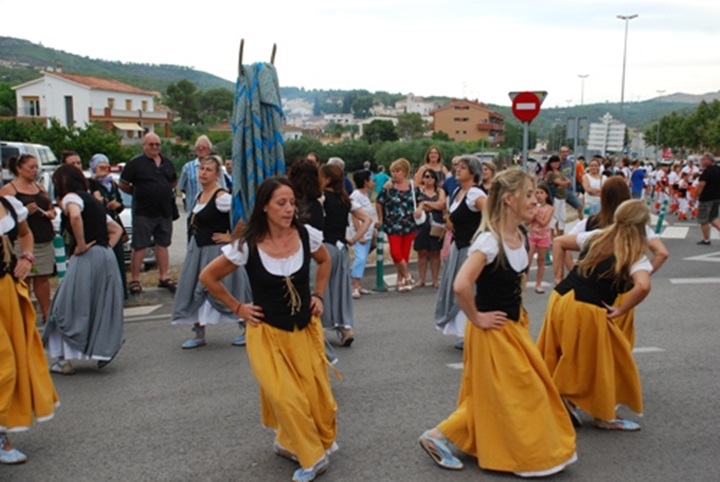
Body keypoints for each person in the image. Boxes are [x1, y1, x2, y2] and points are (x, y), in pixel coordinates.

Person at [418, 169, 577, 477]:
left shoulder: (519, 235)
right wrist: (477, 317)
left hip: (512, 328)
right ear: (509, 199)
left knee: (503, 393)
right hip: (493, 331)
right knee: (520, 390)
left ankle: (439, 436)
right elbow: (462, 285)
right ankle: (439, 435)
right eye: (529, 195)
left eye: (535, 194)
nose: (535, 200)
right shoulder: (489, 242)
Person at [198, 178, 338, 482]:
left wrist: (318, 294)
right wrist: (238, 308)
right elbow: (208, 277)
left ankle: (292, 443)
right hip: (266, 333)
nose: (289, 209)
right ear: (265, 207)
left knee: (316, 398)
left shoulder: (305, 235)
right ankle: (313, 458)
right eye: (281, 203)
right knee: (286, 398)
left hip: (303, 330)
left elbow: (325, 261)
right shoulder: (247, 245)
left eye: (292, 203)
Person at [538, 200, 656, 431]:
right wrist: (622, 309)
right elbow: (643, 286)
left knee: (562, 351)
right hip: (587, 309)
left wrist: (559, 276)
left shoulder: (597, 236)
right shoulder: (633, 255)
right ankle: (601, 413)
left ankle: (562, 398)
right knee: (602, 360)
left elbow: (559, 242)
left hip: (561, 299)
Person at [565, 176, 669, 345]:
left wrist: (573, 271)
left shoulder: (590, 223)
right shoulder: (638, 225)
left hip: (589, 292)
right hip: (622, 292)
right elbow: (662, 253)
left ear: (603, 197)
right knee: (617, 341)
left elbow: (563, 244)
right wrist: (641, 272)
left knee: (589, 342)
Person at [43, 165, 125, 374]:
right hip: (104, 256)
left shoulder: (73, 198)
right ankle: (102, 348)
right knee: (99, 304)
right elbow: (116, 230)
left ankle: (65, 359)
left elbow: (75, 217)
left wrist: (80, 244)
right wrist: (105, 247)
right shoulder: (93, 202)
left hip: (87, 256)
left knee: (67, 306)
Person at [0, 194, 59, 464]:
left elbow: (25, 234)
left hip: (6, 291)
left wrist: (26, 256)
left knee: (11, 360)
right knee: (4, 363)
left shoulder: (9, 204)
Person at [171, 156, 250, 349]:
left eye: (208, 170)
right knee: (192, 288)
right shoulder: (199, 195)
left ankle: (247, 326)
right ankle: (199, 332)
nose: (203, 173)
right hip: (197, 249)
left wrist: (231, 238)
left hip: (215, 252)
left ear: (217, 174)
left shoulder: (222, 197)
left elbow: (244, 218)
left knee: (228, 288)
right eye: (201, 169)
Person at [434, 155, 486, 349]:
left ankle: (470, 332)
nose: (458, 170)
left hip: (470, 247)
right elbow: (452, 216)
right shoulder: (457, 191)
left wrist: (480, 235)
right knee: (456, 286)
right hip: (458, 244)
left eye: (463, 168)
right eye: (457, 167)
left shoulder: (474, 193)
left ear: (473, 173)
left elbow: (489, 212)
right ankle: (465, 331)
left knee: (468, 288)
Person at [319, 164, 372, 347]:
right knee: (341, 289)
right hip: (342, 248)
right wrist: (354, 238)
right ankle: (344, 327)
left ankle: (321, 326)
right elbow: (367, 219)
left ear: (326, 179)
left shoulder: (322, 198)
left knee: (321, 288)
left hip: (323, 247)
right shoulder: (346, 200)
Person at [119, 133, 178, 295]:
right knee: (139, 245)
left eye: (157, 144)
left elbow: (173, 182)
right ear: (143, 145)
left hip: (164, 210)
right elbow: (123, 184)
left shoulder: (167, 163)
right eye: (151, 144)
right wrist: (138, 193)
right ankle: (135, 279)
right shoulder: (135, 164)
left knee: (163, 243)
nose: (154, 147)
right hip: (143, 211)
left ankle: (164, 277)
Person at [0, 155, 56, 323]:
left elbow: (51, 207)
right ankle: (25, 316)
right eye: (31, 167)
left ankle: (47, 314)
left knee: (43, 278)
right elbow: (13, 222)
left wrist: (50, 213)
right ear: (19, 168)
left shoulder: (39, 186)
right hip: (18, 241)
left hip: (42, 235)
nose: (34, 170)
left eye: (36, 167)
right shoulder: (9, 191)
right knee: (24, 280)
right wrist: (25, 210)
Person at [376, 158, 420, 292]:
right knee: (395, 252)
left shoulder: (412, 186)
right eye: (393, 171)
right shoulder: (388, 187)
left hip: (409, 224)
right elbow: (379, 202)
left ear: (405, 172)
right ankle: (407, 275)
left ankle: (400, 281)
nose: (395, 174)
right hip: (393, 224)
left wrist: (420, 209)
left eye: (398, 171)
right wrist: (380, 218)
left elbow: (421, 199)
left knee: (405, 253)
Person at [88, 153, 128, 299]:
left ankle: (120, 292)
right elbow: (93, 201)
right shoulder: (91, 184)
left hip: (115, 223)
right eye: (101, 167)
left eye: (107, 166)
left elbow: (121, 204)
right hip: (101, 225)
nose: (105, 170)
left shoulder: (112, 183)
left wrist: (117, 205)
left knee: (117, 258)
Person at [413, 169, 446, 288]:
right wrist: (430, 205)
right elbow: (417, 207)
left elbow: (441, 205)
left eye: (432, 177)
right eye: (426, 177)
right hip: (422, 225)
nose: (429, 179)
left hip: (437, 224)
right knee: (422, 252)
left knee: (435, 253)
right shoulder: (418, 191)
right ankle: (421, 279)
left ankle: (435, 280)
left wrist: (425, 204)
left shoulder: (440, 191)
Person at [349, 169, 377, 298]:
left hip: (369, 232)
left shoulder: (365, 195)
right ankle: (354, 286)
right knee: (360, 258)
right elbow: (355, 216)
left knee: (363, 258)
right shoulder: (356, 195)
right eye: (370, 179)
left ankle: (358, 284)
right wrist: (360, 235)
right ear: (365, 182)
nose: (373, 182)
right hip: (361, 234)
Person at [528, 183, 554, 294]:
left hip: (544, 236)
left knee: (541, 260)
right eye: (537, 193)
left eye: (541, 193)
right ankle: (521, 282)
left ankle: (538, 283)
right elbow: (527, 221)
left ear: (546, 195)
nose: (539, 195)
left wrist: (535, 214)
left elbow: (544, 223)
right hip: (532, 235)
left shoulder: (550, 208)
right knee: (528, 259)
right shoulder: (532, 206)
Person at [694, 153, 720, 245]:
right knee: (713, 218)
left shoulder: (707, 171)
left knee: (704, 219)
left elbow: (701, 185)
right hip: (716, 197)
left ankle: (706, 239)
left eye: (704, 159)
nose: (702, 161)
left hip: (706, 198)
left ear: (709, 160)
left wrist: (695, 196)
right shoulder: (718, 169)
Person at [545, 155, 571, 236]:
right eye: (554, 162)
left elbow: (568, 181)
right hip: (555, 197)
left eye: (557, 162)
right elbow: (561, 182)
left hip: (562, 197)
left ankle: (560, 235)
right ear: (550, 163)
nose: (556, 164)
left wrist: (563, 184)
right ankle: (551, 237)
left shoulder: (559, 172)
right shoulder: (550, 173)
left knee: (562, 217)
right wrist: (563, 184)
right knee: (554, 217)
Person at [559, 146, 584, 219]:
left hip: (569, 190)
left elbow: (572, 174)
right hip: (559, 191)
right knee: (560, 214)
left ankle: (581, 222)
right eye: (563, 152)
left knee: (579, 205)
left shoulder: (571, 163)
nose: (565, 154)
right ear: (560, 153)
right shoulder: (557, 164)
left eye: (566, 152)